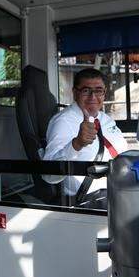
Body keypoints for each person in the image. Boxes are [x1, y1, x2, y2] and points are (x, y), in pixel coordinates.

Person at [42, 68, 128, 207]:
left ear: (104, 93)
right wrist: (76, 144)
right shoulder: (63, 122)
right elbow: (48, 175)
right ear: (75, 93)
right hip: (90, 197)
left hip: (120, 186)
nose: (93, 97)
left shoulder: (105, 119)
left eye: (98, 90)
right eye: (86, 91)